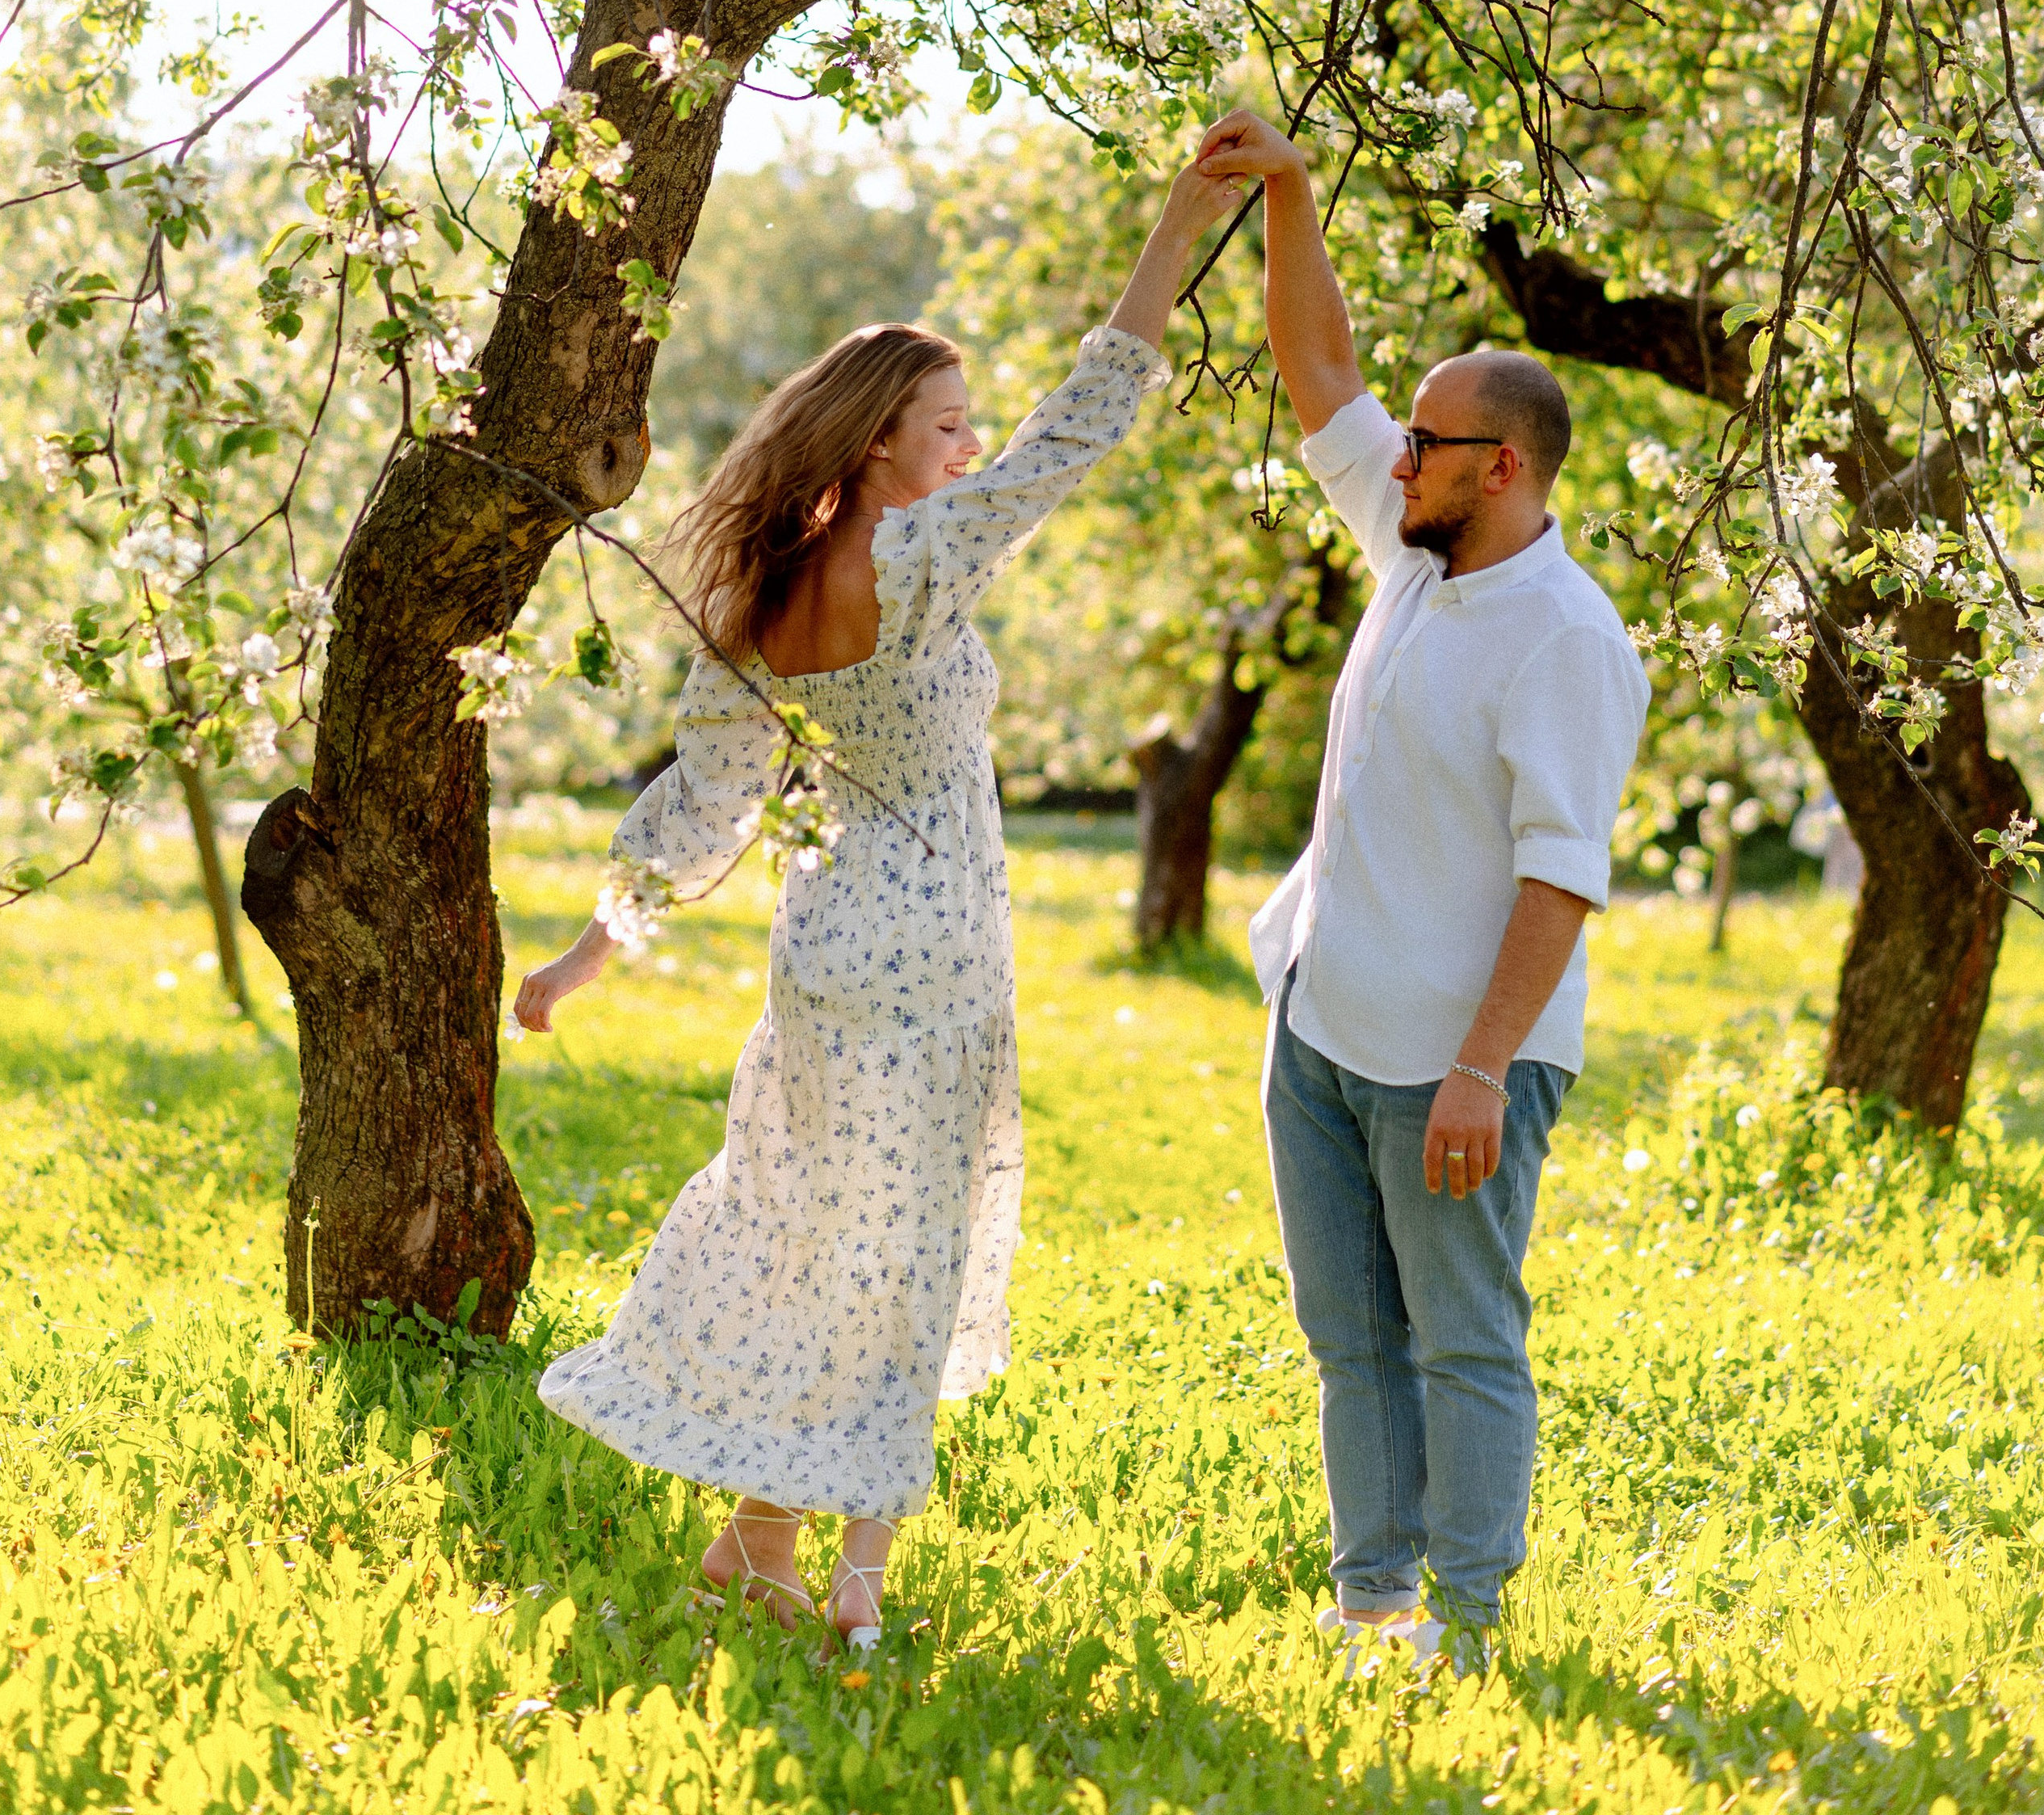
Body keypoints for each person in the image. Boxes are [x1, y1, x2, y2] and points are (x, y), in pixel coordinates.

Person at [513, 158, 1239, 1650]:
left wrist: (591, 955)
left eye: (970, 423)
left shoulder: (768, 588)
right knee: (903, 1259)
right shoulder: (917, 559)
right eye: (951, 425)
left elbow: (700, 802)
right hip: (935, 957)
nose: (974, 449)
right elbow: (1083, 425)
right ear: (884, 442)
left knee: (807, 1234)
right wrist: (1175, 226)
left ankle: (760, 1541)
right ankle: (856, 1579)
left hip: (824, 944)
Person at [1193, 110, 1648, 1674]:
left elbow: (1561, 879)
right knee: (1349, 1343)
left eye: (1430, 443)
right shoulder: (1409, 552)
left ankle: (1465, 1624)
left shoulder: (1569, 640)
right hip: (1322, 1024)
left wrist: (1480, 1067)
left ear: (1501, 467)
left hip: (1459, 1062)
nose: (1398, 454)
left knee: (1460, 1339)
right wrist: (1293, 196)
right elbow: (1319, 368)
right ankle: (1372, 1606)